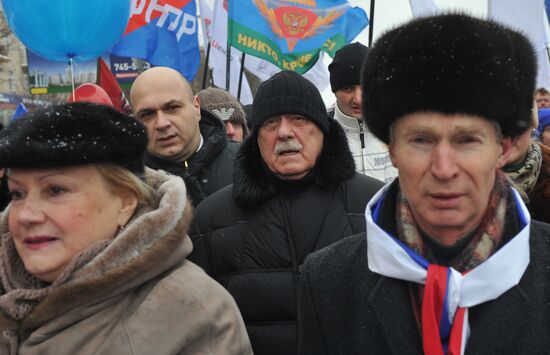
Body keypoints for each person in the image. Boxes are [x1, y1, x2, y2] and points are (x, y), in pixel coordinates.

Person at [298, 14, 550, 354]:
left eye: (466, 140)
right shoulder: (328, 281)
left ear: (502, 148)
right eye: (421, 140)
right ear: (392, 149)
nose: (444, 169)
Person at [0, 102, 252, 354]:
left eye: (56, 190)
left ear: (125, 201)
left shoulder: (196, 313)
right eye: (17, 193)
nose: (26, 216)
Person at [189, 71, 384, 355]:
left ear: (323, 128)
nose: (284, 132)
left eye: (298, 119)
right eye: (270, 123)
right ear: (256, 138)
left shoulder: (375, 206)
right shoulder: (210, 220)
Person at [130, 67, 239, 206]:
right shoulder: (125, 187)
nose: (162, 124)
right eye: (147, 114)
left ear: (196, 107)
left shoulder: (250, 164)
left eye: (172, 108)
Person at [328, 42, 397, 183]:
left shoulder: (400, 126)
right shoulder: (321, 131)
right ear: (335, 91)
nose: (358, 99)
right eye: (348, 89)